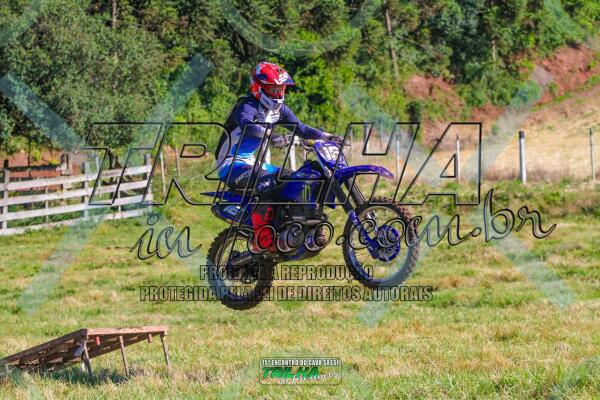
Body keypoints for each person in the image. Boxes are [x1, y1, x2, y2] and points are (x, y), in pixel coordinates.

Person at [215, 61, 341, 251]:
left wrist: (327, 136)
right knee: (267, 183)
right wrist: (272, 136)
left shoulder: (279, 110)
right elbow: (248, 126)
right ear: (259, 87)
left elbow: (302, 129)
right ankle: (262, 237)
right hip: (230, 165)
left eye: (281, 89)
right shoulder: (246, 106)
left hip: (252, 163)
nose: (278, 93)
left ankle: (291, 225)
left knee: (297, 179)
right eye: (273, 89)